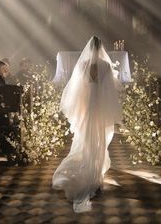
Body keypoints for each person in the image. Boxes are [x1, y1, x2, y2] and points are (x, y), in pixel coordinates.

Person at [52, 36, 122, 213]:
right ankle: (95, 175)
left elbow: (78, 90)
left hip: (88, 105)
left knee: (85, 138)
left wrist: (80, 110)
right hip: (100, 106)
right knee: (99, 139)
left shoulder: (82, 65)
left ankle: (87, 167)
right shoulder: (106, 66)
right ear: (101, 48)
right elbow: (110, 91)